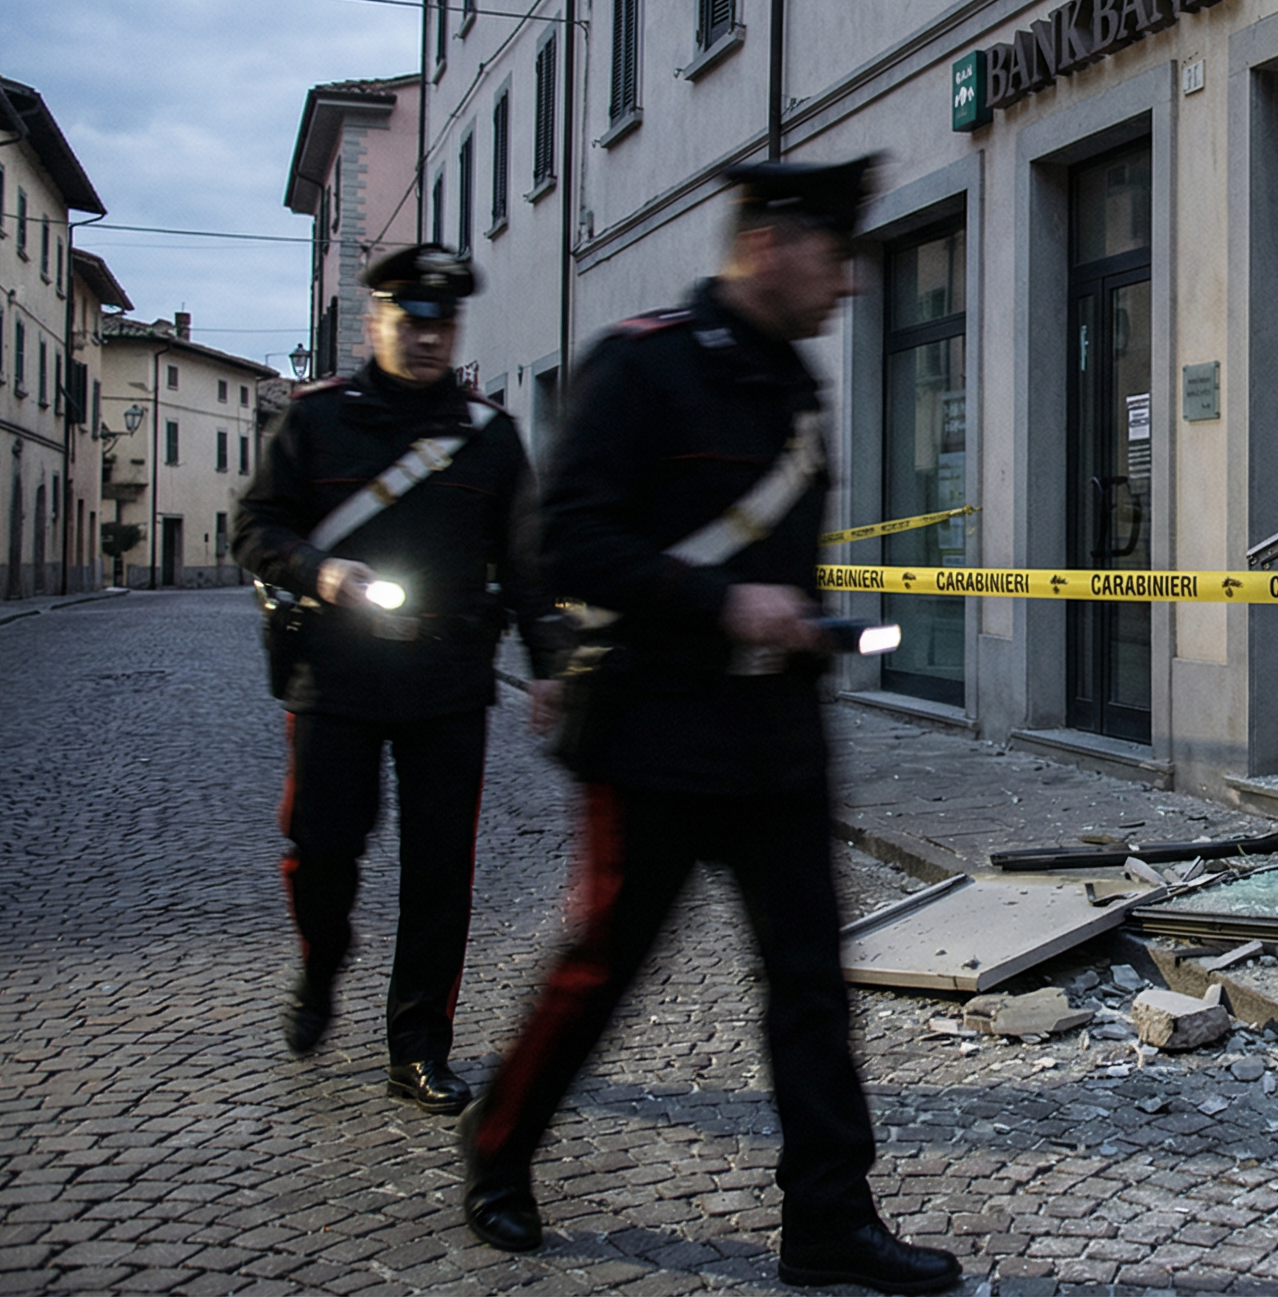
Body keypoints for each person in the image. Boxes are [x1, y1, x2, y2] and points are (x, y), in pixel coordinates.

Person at [456, 159, 960, 1294]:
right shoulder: (641, 365)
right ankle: (497, 1147)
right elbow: (569, 545)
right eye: (835, 257)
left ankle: (829, 1219)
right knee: (602, 968)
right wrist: (724, 604)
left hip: (776, 734)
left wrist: (804, 622)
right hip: (653, 732)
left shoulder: (794, 387)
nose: (850, 285)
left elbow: (772, 557)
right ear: (770, 243)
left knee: (811, 984)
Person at [234, 246, 567, 1114]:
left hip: (446, 674)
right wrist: (320, 572)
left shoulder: (488, 436)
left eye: (442, 324)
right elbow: (256, 529)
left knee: (439, 871)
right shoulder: (315, 422)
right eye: (411, 321)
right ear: (376, 320)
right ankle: (320, 964)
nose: (427, 338)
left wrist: (550, 668)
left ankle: (416, 1046)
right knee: (323, 853)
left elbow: (525, 563)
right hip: (336, 672)